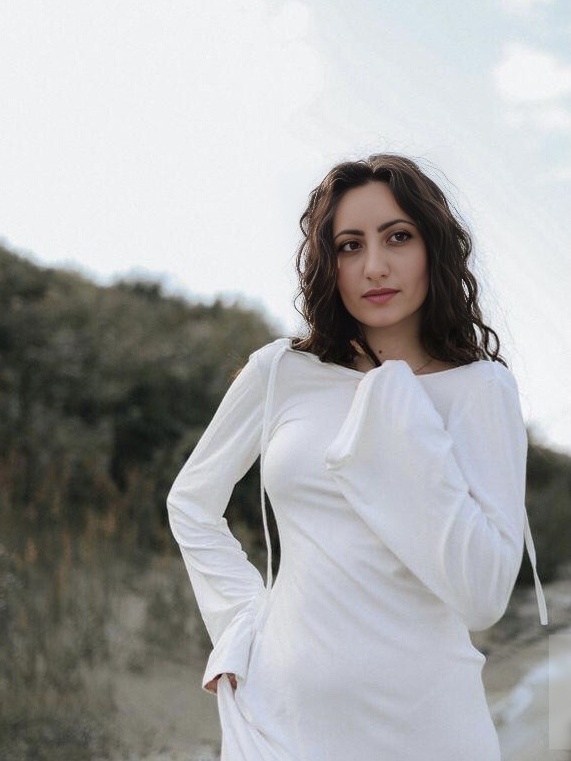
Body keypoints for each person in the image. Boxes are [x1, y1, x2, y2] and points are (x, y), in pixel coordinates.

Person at [167, 154, 547, 761]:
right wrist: (240, 619)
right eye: (350, 245)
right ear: (328, 262)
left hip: (430, 730)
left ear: (434, 248)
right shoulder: (281, 372)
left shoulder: (481, 389)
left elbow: (482, 594)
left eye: (398, 237)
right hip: (280, 722)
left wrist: (397, 411)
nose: (374, 266)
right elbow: (191, 503)